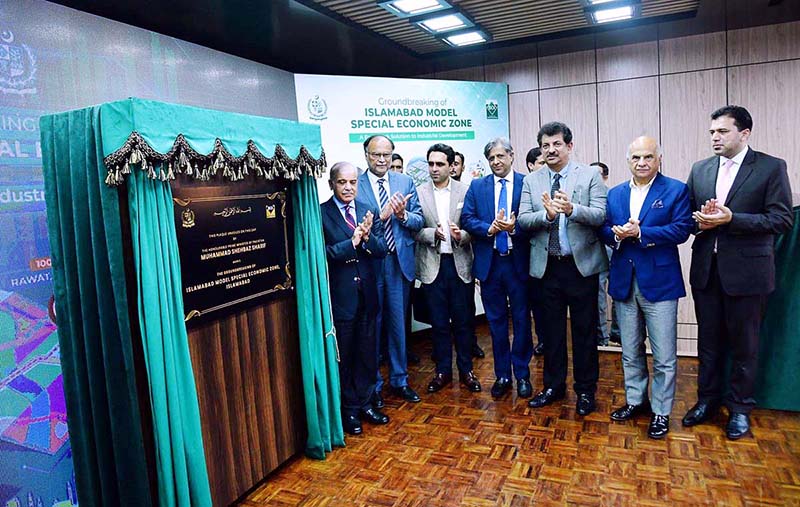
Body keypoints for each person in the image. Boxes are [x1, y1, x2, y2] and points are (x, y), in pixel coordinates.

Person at [682, 105, 793, 440]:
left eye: (723, 131)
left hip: (748, 274)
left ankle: (741, 408)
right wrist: (699, 220)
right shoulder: (700, 170)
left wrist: (733, 219)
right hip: (706, 270)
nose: (715, 137)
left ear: (744, 133)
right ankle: (707, 401)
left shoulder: (771, 167)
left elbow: (782, 219)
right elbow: (687, 218)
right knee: (709, 342)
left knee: (745, 345)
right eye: (712, 131)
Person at [600, 137, 694, 439]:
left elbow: (681, 229)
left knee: (664, 354)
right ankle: (636, 400)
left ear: (659, 159)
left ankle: (661, 412)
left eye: (648, 157)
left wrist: (641, 232)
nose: (642, 162)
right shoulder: (614, 194)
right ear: (628, 160)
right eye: (636, 157)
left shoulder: (676, 189)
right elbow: (602, 228)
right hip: (624, 282)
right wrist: (615, 235)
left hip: (661, 283)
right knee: (630, 350)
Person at [518, 121, 608, 416]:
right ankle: (553, 386)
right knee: (551, 333)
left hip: (580, 267)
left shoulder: (590, 175)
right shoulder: (532, 180)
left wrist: (572, 210)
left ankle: (585, 391)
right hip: (546, 269)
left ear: (569, 145)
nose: (550, 150)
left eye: (556, 144)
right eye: (545, 145)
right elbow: (523, 220)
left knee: (584, 332)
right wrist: (545, 216)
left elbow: (600, 215)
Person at [321, 162, 389, 435]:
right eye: (342, 182)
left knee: (367, 353)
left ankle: (366, 403)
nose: (348, 187)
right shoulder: (321, 213)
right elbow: (323, 254)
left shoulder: (367, 210)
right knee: (346, 357)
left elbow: (382, 250)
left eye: (352, 182)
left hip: (368, 296)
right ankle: (349, 411)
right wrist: (352, 242)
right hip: (342, 298)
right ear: (332, 184)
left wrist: (368, 235)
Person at [462, 138, 533, 399]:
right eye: (491, 158)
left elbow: (534, 220)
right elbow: (467, 218)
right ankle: (503, 375)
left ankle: (523, 374)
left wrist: (514, 228)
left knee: (523, 321)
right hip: (490, 264)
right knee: (496, 323)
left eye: (501, 156)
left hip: (518, 263)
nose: (496, 162)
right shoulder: (477, 186)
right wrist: (489, 229)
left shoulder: (527, 183)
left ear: (512, 156)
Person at [358, 135, 424, 406]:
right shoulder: (355, 185)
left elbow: (419, 221)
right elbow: (353, 229)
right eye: (376, 155)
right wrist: (382, 217)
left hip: (398, 263)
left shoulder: (404, 181)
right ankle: (373, 384)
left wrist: (402, 216)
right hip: (370, 264)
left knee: (398, 326)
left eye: (386, 154)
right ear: (366, 155)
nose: (382, 160)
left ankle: (400, 380)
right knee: (371, 327)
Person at [415, 143, 481, 394]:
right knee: (439, 323)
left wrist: (460, 235)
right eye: (430, 164)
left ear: (451, 165)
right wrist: (434, 233)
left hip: (460, 265)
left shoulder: (467, 191)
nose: (434, 169)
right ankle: (442, 371)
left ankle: (466, 370)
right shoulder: (418, 191)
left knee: (464, 322)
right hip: (433, 266)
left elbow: (474, 227)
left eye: (440, 164)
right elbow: (413, 228)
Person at [450, 150, 486, 360]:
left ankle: (470, 344)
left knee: (467, 306)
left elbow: (473, 223)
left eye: (457, 164)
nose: (453, 167)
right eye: (450, 163)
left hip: (466, 257)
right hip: (441, 258)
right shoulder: (429, 192)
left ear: (462, 167)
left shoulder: (470, 190)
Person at [591, 161, 621, 347]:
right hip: (594, 251)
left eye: (597, 175)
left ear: (605, 177)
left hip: (615, 249)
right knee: (598, 296)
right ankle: (601, 338)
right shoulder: (586, 197)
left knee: (618, 293)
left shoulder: (614, 196)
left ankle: (617, 334)